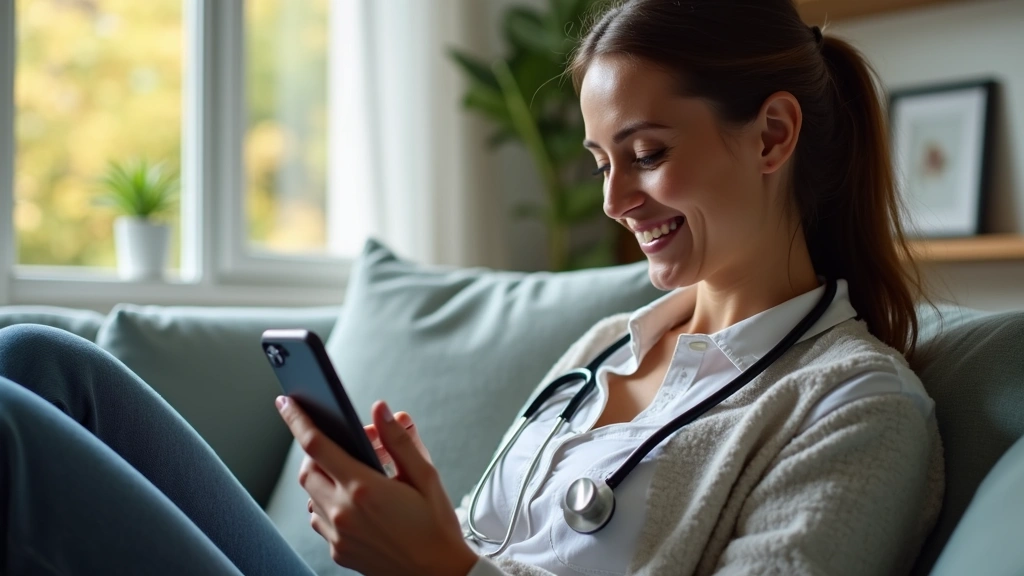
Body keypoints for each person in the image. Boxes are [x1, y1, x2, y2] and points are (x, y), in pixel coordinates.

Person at [0, 0, 942, 574]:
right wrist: (416, 517)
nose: (616, 200)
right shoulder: (606, 348)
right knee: (38, 360)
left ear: (774, 136)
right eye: (601, 161)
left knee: (16, 438)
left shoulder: (854, 410)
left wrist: (443, 574)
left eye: (647, 155)